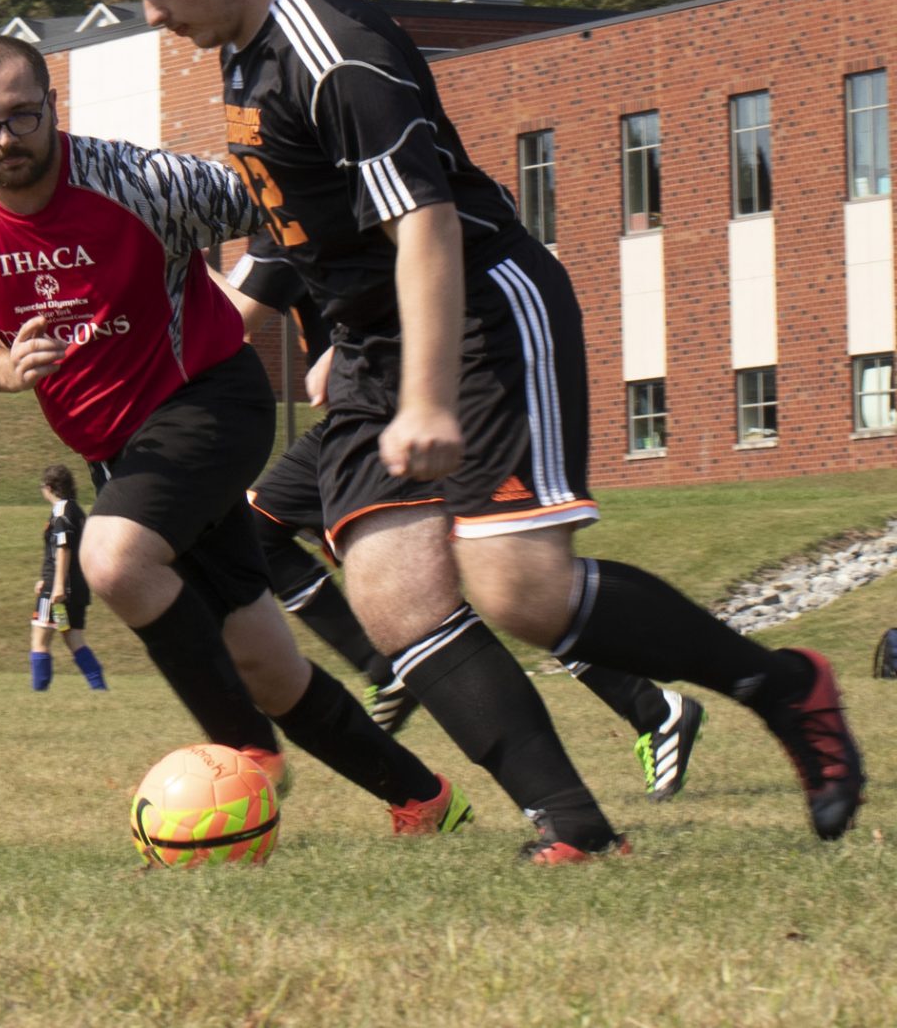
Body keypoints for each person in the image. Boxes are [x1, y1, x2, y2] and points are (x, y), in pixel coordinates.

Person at [101, 0, 863, 854]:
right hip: (378, 340)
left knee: (519, 587)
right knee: (388, 589)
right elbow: (311, 214)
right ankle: (575, 827)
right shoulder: (245, 46)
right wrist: (330, 333)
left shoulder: (332, 46)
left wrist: (424, 395)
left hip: (482, 314)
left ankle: (783, 684)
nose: (155, 14)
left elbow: (424, 223)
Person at [0, 34, 462, 834]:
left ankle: (245, 751)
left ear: (53, 105)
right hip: (120, 455)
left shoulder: (135, 181)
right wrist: (5, 368)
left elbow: (283, 196)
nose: (6, 138)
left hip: (208, 400)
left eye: (23, 115)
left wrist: (344, 317)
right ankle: (426, 801)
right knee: (266, 663)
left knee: (112, 558)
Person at [234, 238, 705, 793]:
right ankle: (389, 669)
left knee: (502, 575)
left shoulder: (292, 216)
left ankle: (655, 708)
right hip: (367, 412)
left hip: (393, 408)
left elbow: (230, 318)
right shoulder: (295, 213)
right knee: (272, 530)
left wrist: (168, 262)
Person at [33, 466, 107, 692]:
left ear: (49, 487)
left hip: (57, 592)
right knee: (73, 637)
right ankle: (99, 688)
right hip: (77, 588)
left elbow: (63, 547)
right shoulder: (77, 511)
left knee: (40, 640)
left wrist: (56, 586)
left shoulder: (61, 511)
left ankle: (39, 692)